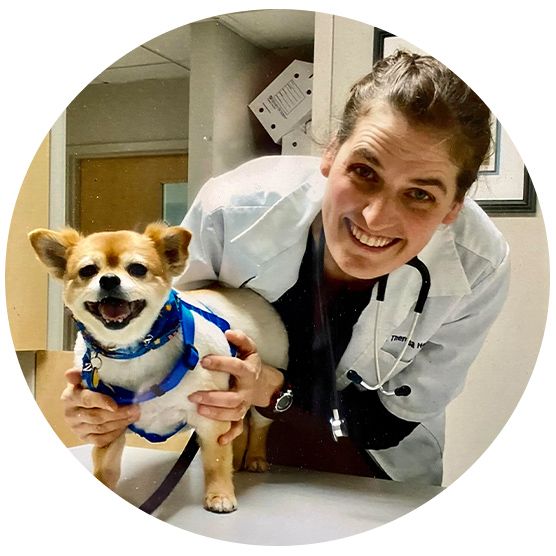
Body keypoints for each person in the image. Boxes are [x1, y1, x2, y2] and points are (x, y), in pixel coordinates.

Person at [62, 50, 510, 485]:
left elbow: (389, 424)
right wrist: (101, 395)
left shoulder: (477, 269)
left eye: (420, 194)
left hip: (374, 474)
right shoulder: (232, 209)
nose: (375, 218)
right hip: (237, 461)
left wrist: (271, 390)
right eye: (364, 172)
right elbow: (165, 338)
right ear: (331, 154)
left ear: (454, 206)